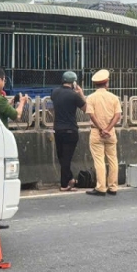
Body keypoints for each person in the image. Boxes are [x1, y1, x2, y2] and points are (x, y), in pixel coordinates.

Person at [85, 69, 122, 197]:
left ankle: (101, 187)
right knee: (113, 159)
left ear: (95, 84)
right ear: (106, 83)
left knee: (99, 161)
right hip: (111, 133)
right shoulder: (114, 98)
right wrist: (108, 129)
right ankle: (113, 187)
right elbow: (118, 116)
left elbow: (91, 115)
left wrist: (101, 129)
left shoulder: (90, 98)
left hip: (96, 133)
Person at [50, 71, 86, 192]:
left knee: (61, 157)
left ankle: (69, 179)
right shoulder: (74, 95)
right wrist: (81, 94)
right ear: (74, 83)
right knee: (67, 158)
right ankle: (64, 184)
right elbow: (86, 109)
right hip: (71, 130)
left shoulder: (55, 92)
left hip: (58, 129)